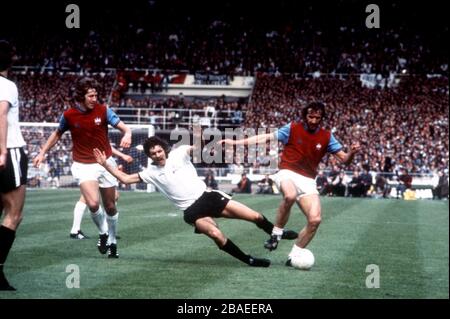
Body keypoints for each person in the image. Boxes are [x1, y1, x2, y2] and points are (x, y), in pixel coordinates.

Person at [93, 136, 298, 267]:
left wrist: (200, 139)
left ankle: (275, 232)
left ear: (164, 149)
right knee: (217, 235)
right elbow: (126, 179)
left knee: (254, 216)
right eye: (153, 153)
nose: (157, 154)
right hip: (192, 211)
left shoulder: (179, 153)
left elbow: (195, 147)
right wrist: (106, 165)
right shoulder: (150, 173)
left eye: (159, 150)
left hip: (209, 197)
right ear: (149, 155)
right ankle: (249, 260)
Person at [220, 102, 360, 266]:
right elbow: (264, 137)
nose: (314, 120)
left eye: (317, 118)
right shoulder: (292, 128)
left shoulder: (327, 136)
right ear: (304, 116)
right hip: (287, 172)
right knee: (290, 195)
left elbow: (344, 160)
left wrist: (351, 153)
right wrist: (235, 143)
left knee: (315, 220)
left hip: (308, 180)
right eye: (311, 117)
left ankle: (293, 256)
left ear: (322, 118)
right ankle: (276, 234)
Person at [33, 77, 132, 258]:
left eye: (96, 95)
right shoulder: (69, 115)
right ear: (81, 96)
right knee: (93, 203)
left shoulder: (103, 111)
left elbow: (124, 128)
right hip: (83, 165)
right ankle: (103, 233)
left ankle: (112, 241)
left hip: (106, 163)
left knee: (110, 206)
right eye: (91, 95)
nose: (95, 98)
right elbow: (57, 134)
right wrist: (42, 153)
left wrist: (128, 133)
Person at [0, 40, 28, 290]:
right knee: (14, 213)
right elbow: (1, 115)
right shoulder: (6, 86)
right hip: (10, 152)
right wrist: (2, 152)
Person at [70, 146, 133, 239]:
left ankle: (78, 230)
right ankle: (77, 230)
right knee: (88, 198)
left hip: (99, 163)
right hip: (91, 165)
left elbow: (107, 146)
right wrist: (122, 155)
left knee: (113, 196)